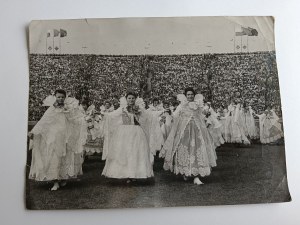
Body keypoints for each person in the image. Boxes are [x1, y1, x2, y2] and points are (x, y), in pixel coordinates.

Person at [28, 89, 84, 191]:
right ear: (55, 97)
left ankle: (63, 177)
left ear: (65, 98)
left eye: (62, 97)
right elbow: (44, 121)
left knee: (65, 157)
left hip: (65, 137)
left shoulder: (68, 108)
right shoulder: (51, 109)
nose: (60, 99)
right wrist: (34, 131)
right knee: (54, 158)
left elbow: (74, 119)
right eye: (58, 97)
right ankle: (55, 181)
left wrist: (81, 119)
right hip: (54, 137)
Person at [160, 88, 217, 185]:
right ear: (185, 96)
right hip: (184, 132)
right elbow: (175, 116)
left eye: (191, 94)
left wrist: (207, 114)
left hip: (197, 132)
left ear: (194, 95)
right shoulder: (182, 105)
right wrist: (169, 114)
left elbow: (202, 115)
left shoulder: (198, 105)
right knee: (185, 150)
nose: (190, 96)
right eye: (188, 94)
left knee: (196, 150)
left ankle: (196, 176)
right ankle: (186, 172)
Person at [101, 92, 162, 181]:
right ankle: (124, 174)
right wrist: (105, 115)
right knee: (124, 152)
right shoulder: (122, 108)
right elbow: (112, 115)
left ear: (135, 99)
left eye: (133, 98)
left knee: (135, 152)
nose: (131, 100)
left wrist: (159, 114)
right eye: (129, 98)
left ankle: (134, 174)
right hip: (124, 132)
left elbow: (149, 116)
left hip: (136, 132)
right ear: (126, 99)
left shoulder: (139, 108)